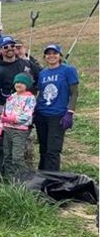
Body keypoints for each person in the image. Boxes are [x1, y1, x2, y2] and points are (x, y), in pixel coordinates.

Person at [34, 44, 79, 172]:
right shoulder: (43, 73)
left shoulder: (68, 70)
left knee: (53, 150)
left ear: (60, 56)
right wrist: (34, 111)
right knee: (43, 148)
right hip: (41, 114)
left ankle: (53, 179)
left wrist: (70, 112)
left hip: (58, 115)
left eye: (55, 53)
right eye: (48, 54)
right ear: (45, 57)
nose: (51, 56)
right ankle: (41, 176)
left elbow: (74, 93)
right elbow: (40, 93)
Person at [0, 73, 36, 179]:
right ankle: (10, 178)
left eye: (22, 83)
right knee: (7, 154)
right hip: (7, 129)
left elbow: (28, 115)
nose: (19, 84)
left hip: (20, 130)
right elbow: (4, 113)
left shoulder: (30, 98)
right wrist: (0, 127)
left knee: (17, 156)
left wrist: (14, 119)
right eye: (17, 82)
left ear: (27, 85)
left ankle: (25, 178)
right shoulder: (11, 97)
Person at [0, 35, 40, 116]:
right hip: (6, 107)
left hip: (25, 107)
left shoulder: (26, 63)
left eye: (12, 45)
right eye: (5, 47)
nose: (9, 48)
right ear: (0, 50)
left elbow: (39, 78)